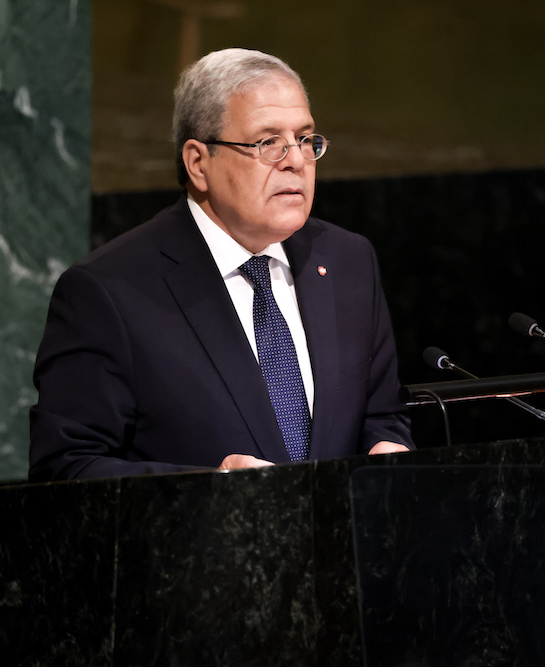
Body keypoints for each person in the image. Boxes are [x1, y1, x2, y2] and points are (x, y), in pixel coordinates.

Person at [28, 48, 413, 481]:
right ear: (198, 163)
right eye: (268, 143)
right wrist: (210, 489)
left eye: (305, 139)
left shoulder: (347, 260)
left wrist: (388, 446)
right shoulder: (108, 292)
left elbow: (381, 414)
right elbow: (66, 467)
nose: (297, 161)